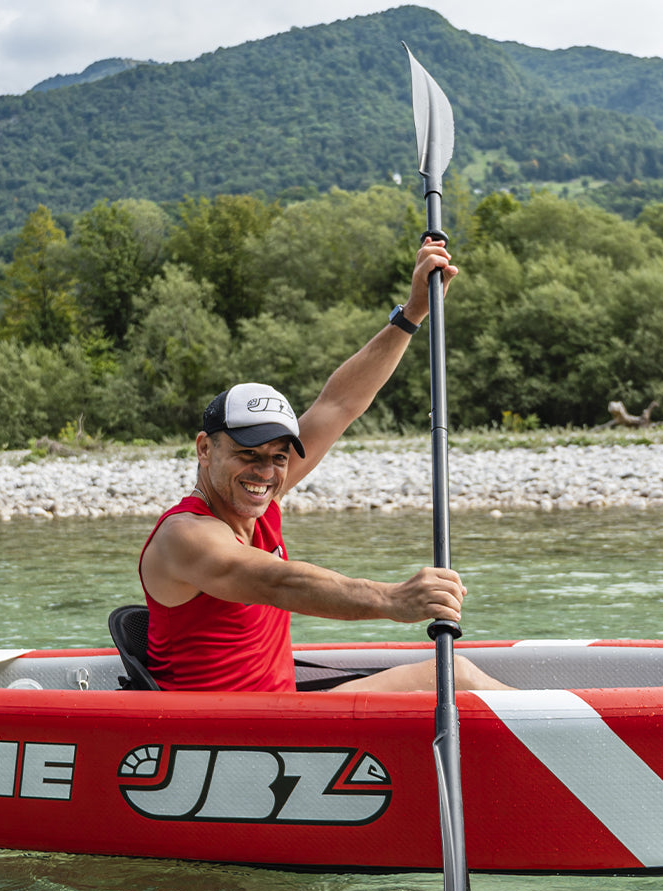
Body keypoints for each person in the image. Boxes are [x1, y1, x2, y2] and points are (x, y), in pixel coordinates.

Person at [138, 237, 512, 694]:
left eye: (278, 457)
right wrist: (392, 599)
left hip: (281, 711)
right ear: (205, 449)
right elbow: (279, 583)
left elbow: (339, 403)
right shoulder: (185, 536)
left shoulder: (255, 493)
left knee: (458, 673)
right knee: (453, 677)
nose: (265, 473)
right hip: (228, 733)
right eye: (248, 454)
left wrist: (412, 313)